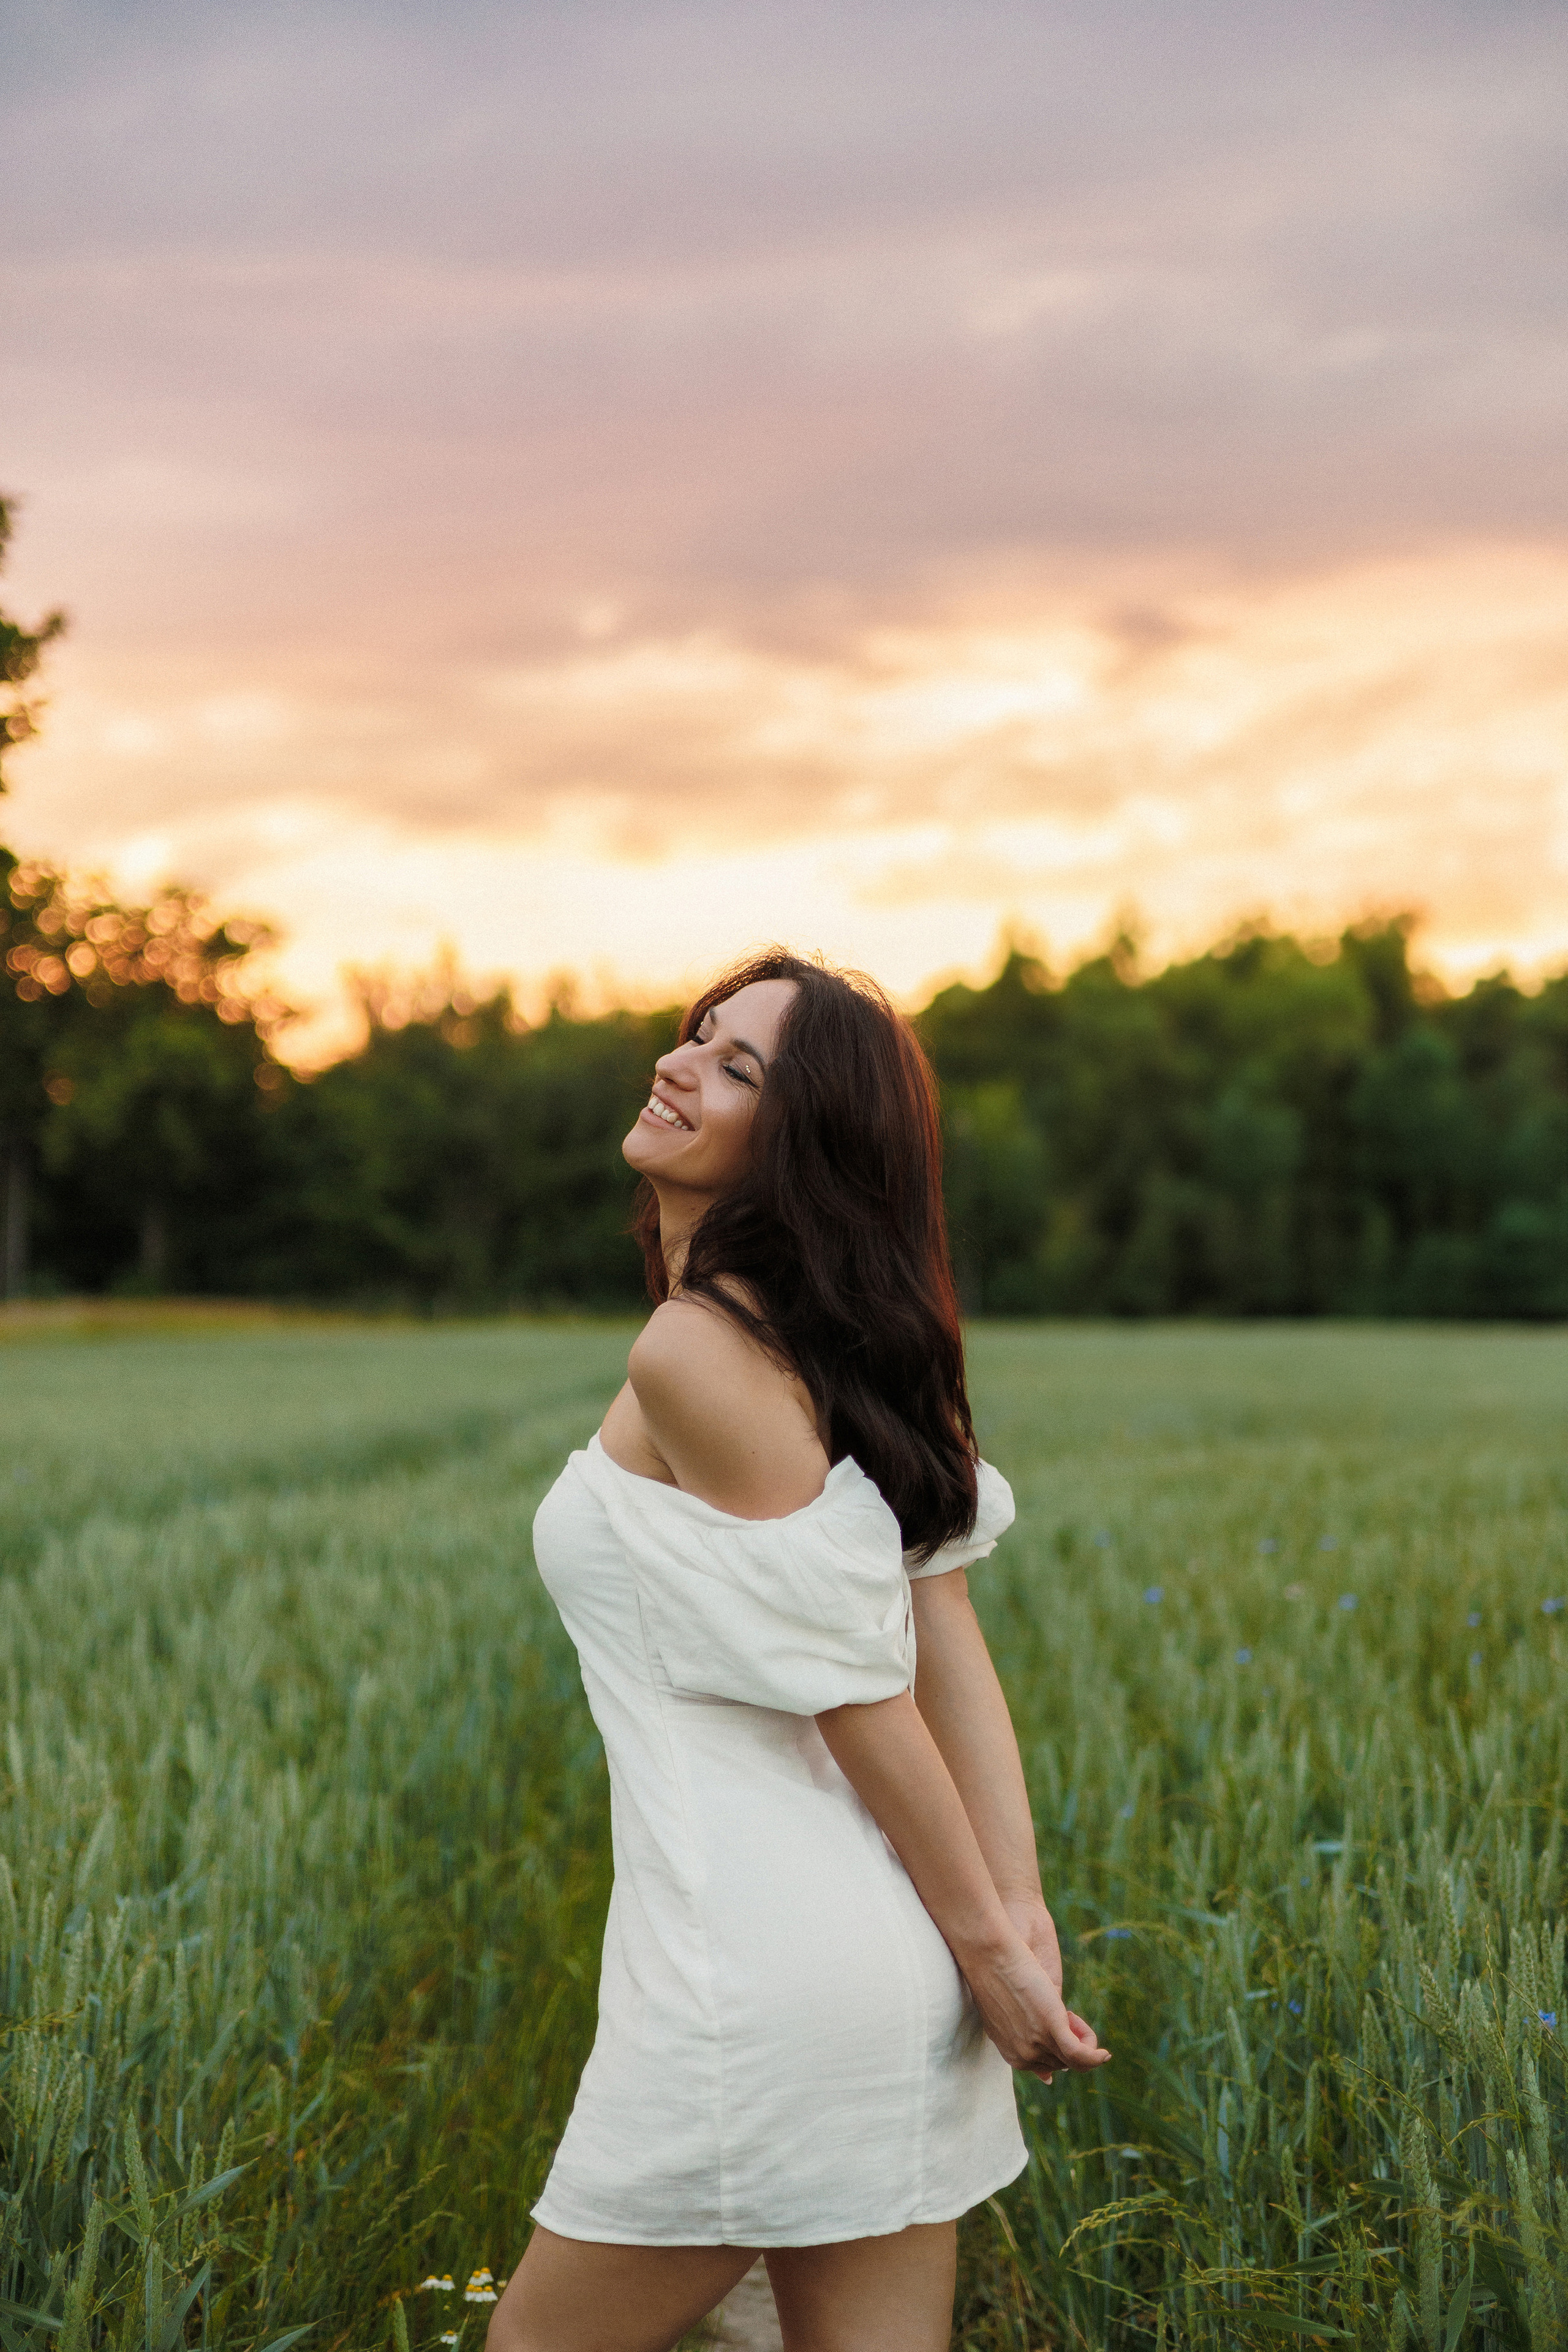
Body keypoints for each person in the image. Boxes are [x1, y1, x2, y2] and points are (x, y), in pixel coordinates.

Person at [489, 951, 1109, 2352]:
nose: (678, 1062)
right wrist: (1008, 1916)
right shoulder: (832, 1349)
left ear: (800, 1145)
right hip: (872, 1971)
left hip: (753, 1982)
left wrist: (998, 1945)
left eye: (736, 1066)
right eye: (697, 1034)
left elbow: (859, 1684)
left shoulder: (693, 1355)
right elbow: (945, 1635)